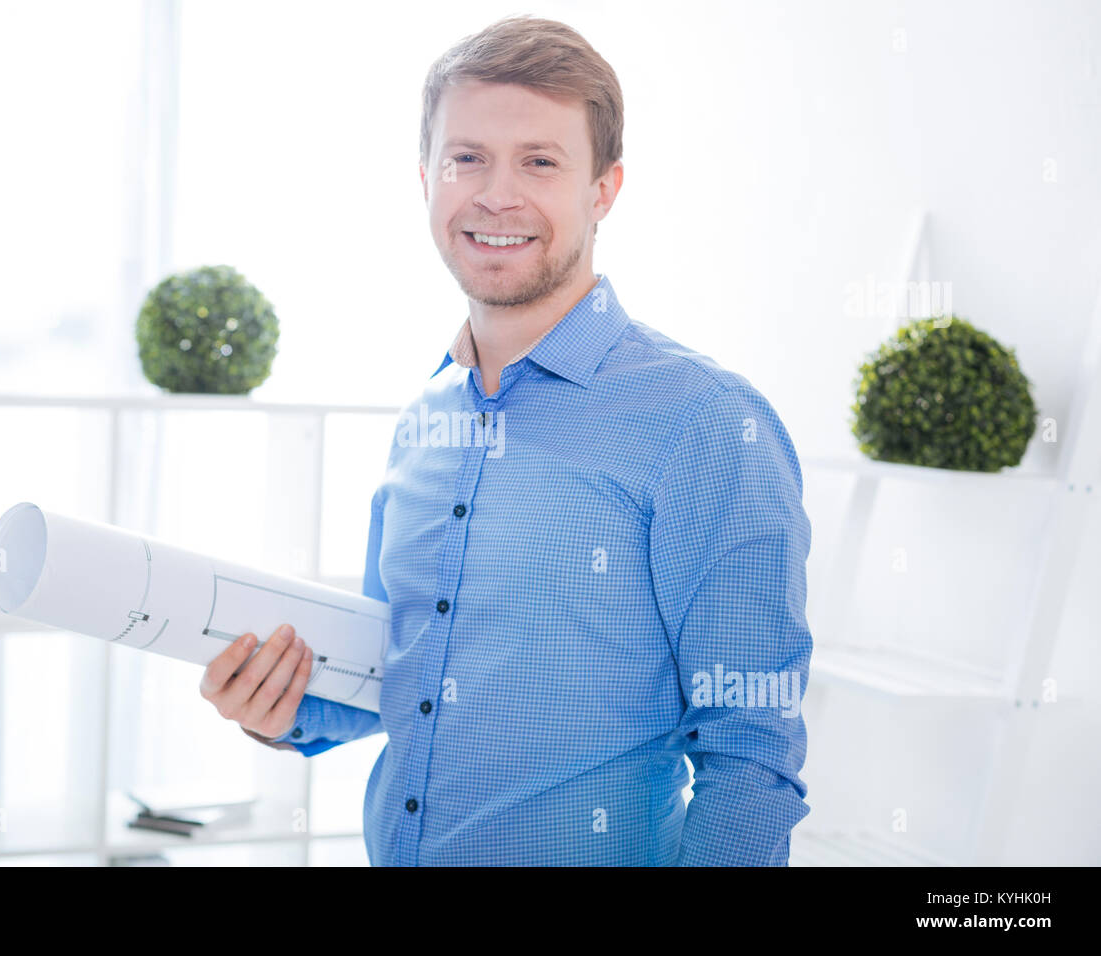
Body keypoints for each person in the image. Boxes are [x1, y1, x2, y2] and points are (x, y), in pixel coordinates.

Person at [199, 14, 813, 866]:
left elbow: (751, 755)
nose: (496, 194)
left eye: (540, 161)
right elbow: (403, 674)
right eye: (467, 158)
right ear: (425, 178)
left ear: (604, 188)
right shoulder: (426, 418)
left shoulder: (706, 424)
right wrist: (281, 712)